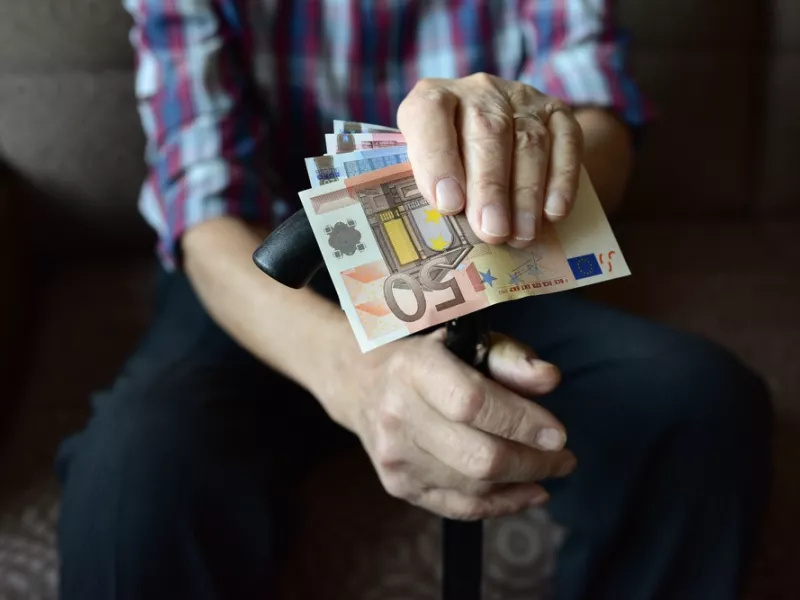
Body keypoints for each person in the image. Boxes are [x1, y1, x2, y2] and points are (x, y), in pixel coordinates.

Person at [56, 1, 771, 599]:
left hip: (494, 254)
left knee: (700, 405)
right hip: (261, 286)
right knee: (131, 480)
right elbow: (204, 209)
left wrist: (545, 145)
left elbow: (601, 120)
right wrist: (359, 375)